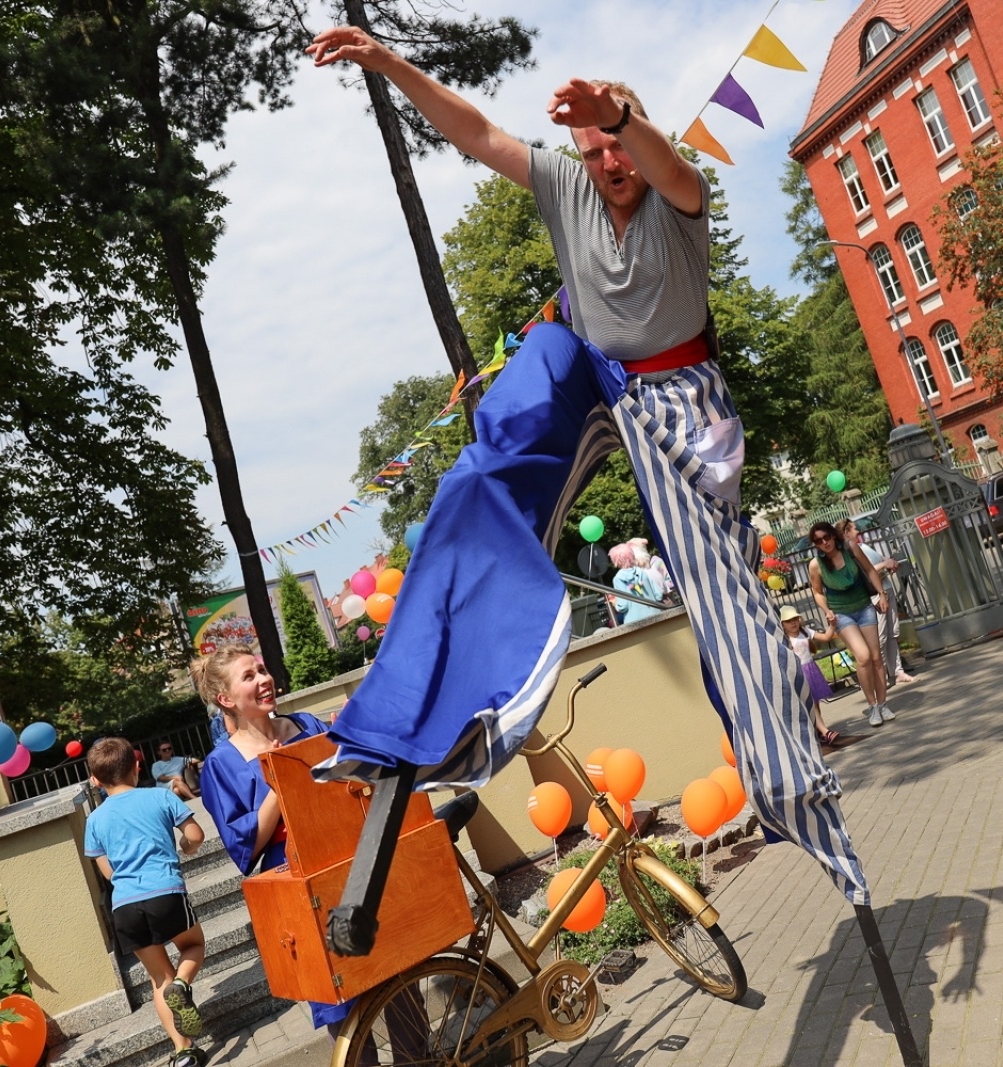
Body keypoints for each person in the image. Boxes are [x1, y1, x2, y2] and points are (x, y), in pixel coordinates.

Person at [306, 29, 871, 907]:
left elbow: (669, 164)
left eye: (618, 143)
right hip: (593, 371)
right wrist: (390, 63)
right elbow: (477, 133)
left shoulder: (678, 197)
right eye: (594, 148)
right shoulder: (567, 183)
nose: (609, 161)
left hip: (676, 400)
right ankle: (428, 701)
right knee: (492, 450)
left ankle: (792, 785)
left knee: (724, 599)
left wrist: (620, 116)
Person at [195, 645, 355, 1033]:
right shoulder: (221, 764)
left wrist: (349, 746)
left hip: (349, 858)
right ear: (226, 699)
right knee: (345, 1010)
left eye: (262, 670)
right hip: (299, 882)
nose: (264, 680)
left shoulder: (307, 724)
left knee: (398, 985)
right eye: (249, 676)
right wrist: (278, 782)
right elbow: (244, 847)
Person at [83, 738, 209, 1067]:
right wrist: (186, 847)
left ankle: (184, 1054)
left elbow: (108, 872)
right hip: (165, 893)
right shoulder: (160, 796)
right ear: (137, 768)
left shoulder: (94, 820)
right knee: (194, 945)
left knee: (159, 979)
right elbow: (195, 835)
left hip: (125, 907)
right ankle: (182, 984)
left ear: (95, 780)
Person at [807, 521, 893, 726]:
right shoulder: (816, 565)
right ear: (815, 544)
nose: (824, 542)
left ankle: (883, 704)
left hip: (864, 607)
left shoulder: (850, 548)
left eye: (826, 537)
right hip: (841, 614)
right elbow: (817, 592)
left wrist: (882, 594)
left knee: (876, 657)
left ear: (833, 535)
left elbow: (870, 570)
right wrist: (827, 610)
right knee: (863, 657)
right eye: (818, 541)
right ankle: (872, 706)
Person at [838, 518, 916, 687]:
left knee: (892, 633)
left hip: (886, 589)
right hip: (875, 595)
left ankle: (897, 672)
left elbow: (879, 560)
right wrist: (885, 564)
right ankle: (881, 676)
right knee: (879, 637)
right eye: (854, 529)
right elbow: (866, 571)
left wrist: (889, 562)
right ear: (846, 533)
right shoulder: (850, 552)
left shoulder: (864, 546)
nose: (858, 531)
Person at [779, 605, 840, 745]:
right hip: (799, 673)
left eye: (795, 619)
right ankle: (826, 732)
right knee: (810, 703)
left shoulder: (805, 631)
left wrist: (832, 625)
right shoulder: (785, 639)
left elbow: (826, 637)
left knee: (816, 703)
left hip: (811, 669)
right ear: (782, 624)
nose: (793, 623)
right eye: (789, 621)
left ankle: (819, 732)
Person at [608, 542, 667, 623]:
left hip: (635, 621)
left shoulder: (618, 579)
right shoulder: (642, 572)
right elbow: (658, 595)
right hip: (655, 615)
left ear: (615, 560)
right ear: (631, 555)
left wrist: (616, 604)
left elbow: (623, 606)